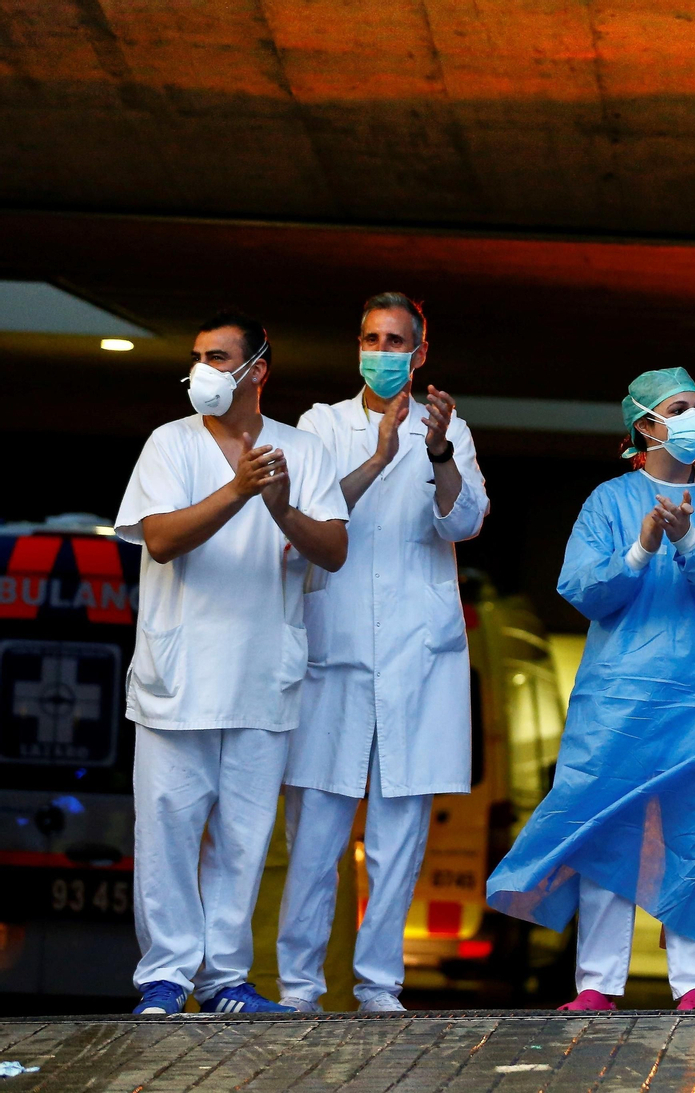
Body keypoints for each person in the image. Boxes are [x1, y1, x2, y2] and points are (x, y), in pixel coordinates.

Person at [486, 368, 695, 1012]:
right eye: (681, 408)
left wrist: (688, 539)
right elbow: (584, 589)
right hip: (619, 707)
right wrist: (642, 548)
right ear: (646, 425)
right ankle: (596, 985)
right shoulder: (608, 504)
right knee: (604, 831)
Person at [116, 310, 348, 1015]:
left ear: (258, 369)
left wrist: (278, 508)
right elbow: (157, 538)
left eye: (219, 357)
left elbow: (333, 548)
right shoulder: (170, 444)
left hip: (261, 676)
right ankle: (165, 976)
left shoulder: (302, 451)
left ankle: (224, 982)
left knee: (244, 840)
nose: (204, 371)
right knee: (166, 830)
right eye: (197, 357)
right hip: (177, 680)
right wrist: (237, 491)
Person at [275, 292, 489, 1013]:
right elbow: (307, 511)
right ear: (356, 345)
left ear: (421, 353)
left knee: (401, 832)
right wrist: (378, 456)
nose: (383, 351)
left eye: (397, 341)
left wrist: (434, 452)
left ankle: (378, 984)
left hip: (416, 655)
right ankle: (301, 987)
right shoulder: (319, 425)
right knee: (316, 831)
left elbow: (465, 520)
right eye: (372, 337)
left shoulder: (449, 430)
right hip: (334, 651)